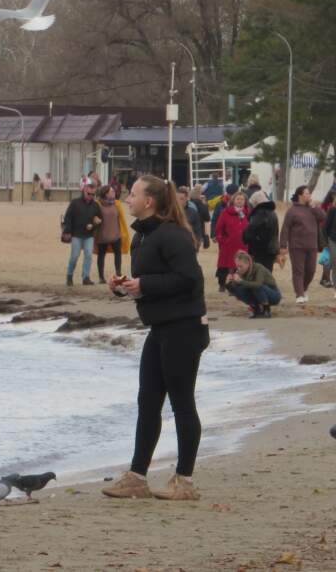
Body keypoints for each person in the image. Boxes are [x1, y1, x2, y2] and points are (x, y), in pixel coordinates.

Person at [102, 174, 208, 502]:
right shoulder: (142, 238)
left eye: (132, 194)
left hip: (185, 328)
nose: (126, 199)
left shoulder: (173, 235)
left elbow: (190, 280)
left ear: (149, 201)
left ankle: (184, 481)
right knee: (147, 400)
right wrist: (124, 287)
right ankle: (137, 476)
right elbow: (149, 282)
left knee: (181, 402)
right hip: (160, 327)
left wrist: (145, 285)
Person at [279, 185, 324, 304]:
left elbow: (323, 217)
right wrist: (283, 245)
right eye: (307, 193)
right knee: (298, 271)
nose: (309, 195)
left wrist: (314, 206)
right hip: (297, 246)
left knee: (311, 270)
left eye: (309, 193)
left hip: (312, 246)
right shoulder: (292, 211)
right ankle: (299, 294)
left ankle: (303, 289)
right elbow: (285, 229)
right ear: (300, 195)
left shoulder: (312, 208)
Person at [62, 182, 102, 285]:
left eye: (93, 194)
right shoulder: (75, 203)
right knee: (74, 256)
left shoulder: (95, 205)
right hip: (76, 235)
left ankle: (86, 277)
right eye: (89, 194)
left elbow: (100, 219)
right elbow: (67, 217)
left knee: (88, 255)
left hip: (89, 235)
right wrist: (68, 231)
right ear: (84, 191)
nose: (91, 196)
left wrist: (93, 225)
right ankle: (69, 276)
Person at [225, 251, 281, 318]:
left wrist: (241, 281)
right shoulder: (240, 272)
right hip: (258, 294)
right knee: (238, 290)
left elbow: (258, 284)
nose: (239, 268)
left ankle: (266, 310)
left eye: (241, 266)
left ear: (248, 263)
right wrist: (229, 284)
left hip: (273, 295)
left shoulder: (258, 268)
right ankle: (256, 309)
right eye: (237, 266)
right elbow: (235, 290)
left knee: (256, 286)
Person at [213, 191, 249, 293]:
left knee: (239, 267)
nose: (240, 201)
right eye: (238, 199)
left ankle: (235, 288)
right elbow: (219, 228)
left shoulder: (247, 213)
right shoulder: (225, 212)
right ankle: (222, 284)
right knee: (225, 266)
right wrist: (223, 240)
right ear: (233, 200)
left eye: (242, 199)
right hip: (228, 244)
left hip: (242, 244)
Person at [94, 185, 130, 284]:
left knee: (118, 254)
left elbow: (121, 219)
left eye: (113, 191)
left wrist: (123, 233)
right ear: (105, 193)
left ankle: (118, 274)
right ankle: (101, 277)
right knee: (101, 255)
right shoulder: (98, 204)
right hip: (102, 235)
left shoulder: (117, 204)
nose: (114, 192)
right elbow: (92, 217)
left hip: (116, 234)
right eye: (111, 191)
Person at [242, 190, 279, 273]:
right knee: (267, 273)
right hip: (272, 248)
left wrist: (244, 237)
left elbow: (251, 229)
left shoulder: (259, 213)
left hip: (260, 249)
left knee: (259, 274)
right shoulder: (272, 213)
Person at [324, 194, 336, 289]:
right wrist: (326, 242)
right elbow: (326, 226)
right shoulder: (332, 210)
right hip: (333, 239)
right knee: (335, 263)